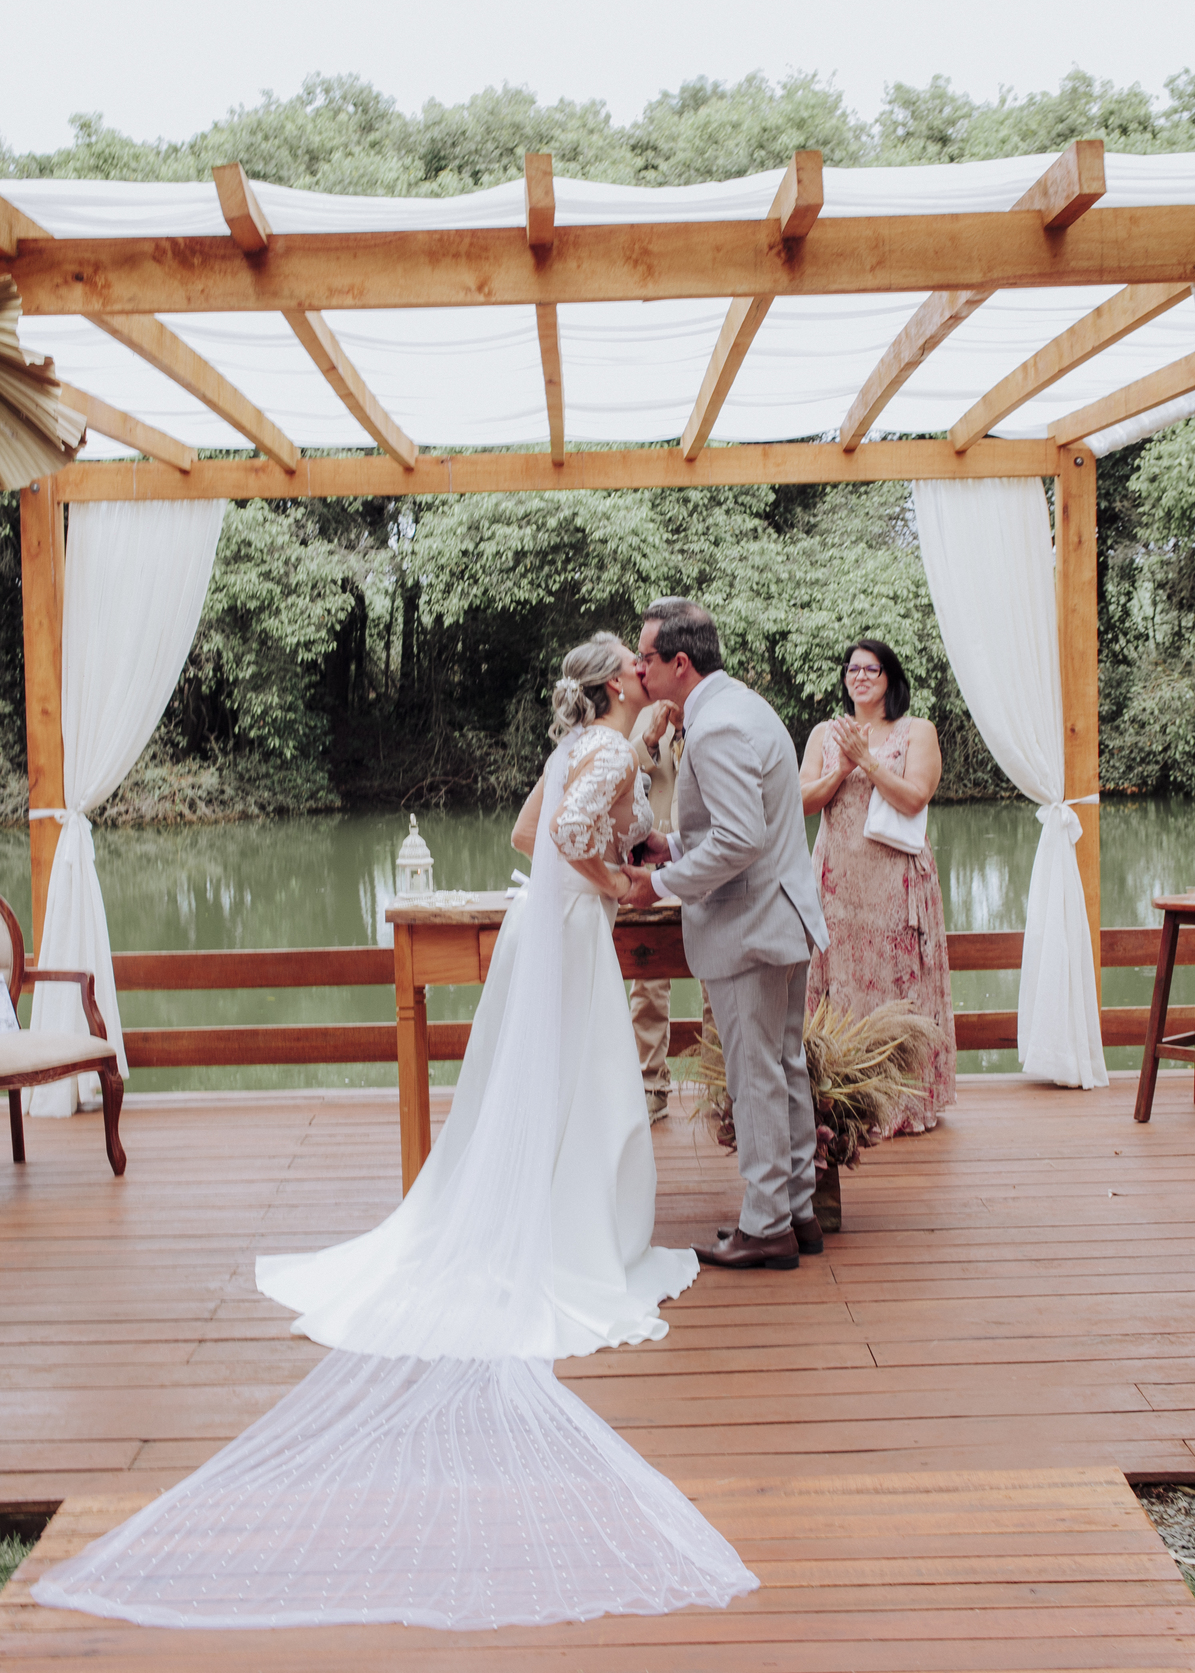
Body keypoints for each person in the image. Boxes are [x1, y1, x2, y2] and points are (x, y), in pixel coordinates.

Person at [32, 632, 755, 1632]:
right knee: (590, 1091)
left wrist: (604, 863)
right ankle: (580, 1233)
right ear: (615, 685)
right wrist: (620, 884)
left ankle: (550, 1207)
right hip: (574, 934)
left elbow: (524, 835)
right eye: (633, 666)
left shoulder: (578, 747)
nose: (645, 671)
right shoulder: (613, 750)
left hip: (544, 932)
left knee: (553, 1089)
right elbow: (564, 843)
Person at [624, 598, 829, 1273]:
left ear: (679, 663)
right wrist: (674, 844)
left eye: (646, 659)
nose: (639, 670)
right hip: (779, 915)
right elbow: (746, 824)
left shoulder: (714, 727)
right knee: (783, 1067)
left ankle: (765, 1225)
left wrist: (658, 883)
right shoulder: (744, 706)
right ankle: (796, 1210)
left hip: (749, 925)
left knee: (755, 1076)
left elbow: (740, 840)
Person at [799, 637, 955, 1132]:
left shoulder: (917, 731)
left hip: (895, 881)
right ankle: (842, 1104)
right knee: (839, 986)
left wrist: (867, 761)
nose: (860, 677)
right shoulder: (825, 733)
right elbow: (801, 802)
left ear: (890, 678)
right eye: (853, 669)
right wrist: (841, 769)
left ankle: (902, 1104)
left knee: (897, 985)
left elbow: (914, 798)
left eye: (871, 669)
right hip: (836, 881)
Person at [630, 697, 681, 1123]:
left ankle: (723, 1087)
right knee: (647, 976)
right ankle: (650, 1085)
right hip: (652, 861)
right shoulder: (644, 715)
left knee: (719, 981)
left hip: (711, 861)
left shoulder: (720, 711)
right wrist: (650, 739)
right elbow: (619, 774)